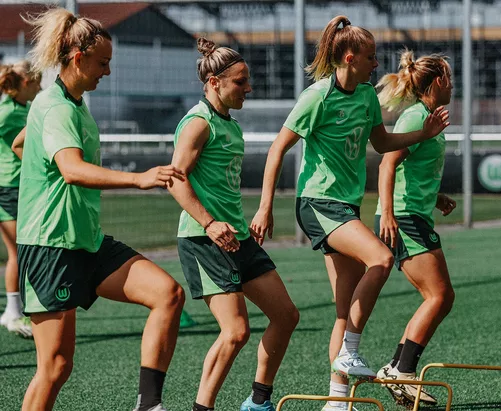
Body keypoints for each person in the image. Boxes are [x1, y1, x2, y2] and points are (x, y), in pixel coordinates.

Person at [249, 16, 449, 411]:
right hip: (318, 203)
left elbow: (382, 142)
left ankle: (337, 402)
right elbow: (277, 149)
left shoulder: (365, 97)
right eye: (371, 57)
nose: (377, 65)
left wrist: (423, 135)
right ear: (350, 56)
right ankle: (350, 352)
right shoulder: (317, 97)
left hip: (346, 207)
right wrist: (265, 206)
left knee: (344, 309)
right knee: (382, 257)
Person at [18, 8, 185, 411]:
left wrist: (35, 163)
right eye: (103, 63)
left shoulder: (69, 104)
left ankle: (148, 405)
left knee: (168, 294)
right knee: (55, 366)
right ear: (77, 58)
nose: (107, 72)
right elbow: (72, 170)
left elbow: (21, 143)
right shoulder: (55, 107)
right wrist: (139, 178)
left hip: (86, 242)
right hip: (51, 246)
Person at [167, 37, 299, 411]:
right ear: (214, 82)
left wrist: (254, 214)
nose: (248, 88)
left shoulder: (230, 125)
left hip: (237, 238)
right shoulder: (197, 123)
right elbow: (175, 180)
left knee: (286, 316)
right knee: (236, 331)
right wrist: (209, 223)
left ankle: (258, 403)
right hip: (203, 239)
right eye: (240, 82)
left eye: (247, 80)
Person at [373, 50, 457, 407]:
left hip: (417, 215)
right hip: (404, 218)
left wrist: (436, 196)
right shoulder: (415, 117)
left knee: (438, 297)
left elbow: (414, 168)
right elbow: (387, 165)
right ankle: (401, 372)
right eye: (450, 78)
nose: (453, 86)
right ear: (439, 81)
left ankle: (397, 368)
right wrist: (388, 215)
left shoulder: (428, 118)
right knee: (439, 296)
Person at [0, 61, 41, 338]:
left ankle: (16, 309)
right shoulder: (8, 114)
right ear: (26, 84)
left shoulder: (21, 109)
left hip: (19, 186)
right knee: (19, 252)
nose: (41, 89)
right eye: (38, 84)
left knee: (23, 251)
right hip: (9, 187)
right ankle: (14, 311)